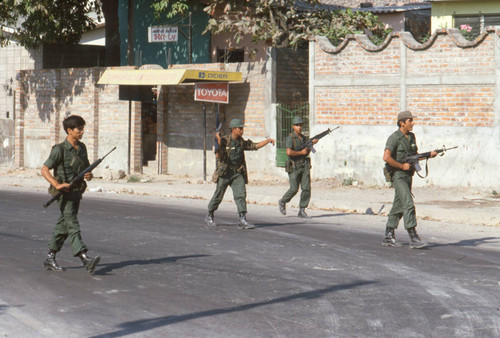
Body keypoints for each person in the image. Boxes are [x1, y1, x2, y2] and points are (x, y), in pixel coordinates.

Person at [41, 115, 100, 273]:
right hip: (63, 195)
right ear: (69, 131)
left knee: (63, 226)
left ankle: (50, 258)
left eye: (82, 128)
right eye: (79, 129)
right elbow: (44, 169)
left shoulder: (82, 148)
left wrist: (89, 175)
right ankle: (84, 257)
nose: (82, 131)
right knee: (72, 224)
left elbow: (86, 169)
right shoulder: (59, 149)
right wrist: (57, 185)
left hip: (76, 193)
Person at [205, 118, 275, 229]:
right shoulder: (224, 140)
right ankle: (210, 214)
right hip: (225, 172)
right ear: (233, 129)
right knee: (218, 195)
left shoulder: (241, 142)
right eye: (240, 128)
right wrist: (218, 142)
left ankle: (242, 219)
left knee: (241, 195)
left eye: (242, 128)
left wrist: (267, 141)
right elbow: (218, 156)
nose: (242, 130)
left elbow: (254, 146)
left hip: (237, 172)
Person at [382, 110, 436, 249]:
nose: (413, 123)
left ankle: (388, 235)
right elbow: (386, 158)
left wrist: (429, 155)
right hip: (398, 175)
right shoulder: (394, 138)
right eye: (410, 121)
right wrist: (401, 166)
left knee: (399, 206)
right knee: (408, 203)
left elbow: (415, 156)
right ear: (402, 123)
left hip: (408, 176)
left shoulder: (411, 137)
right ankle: (413, 236)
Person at [278, 116, 318, 219]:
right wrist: (302, 152)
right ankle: (283, 201)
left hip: (304, 165)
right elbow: (289, 152)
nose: (299, 127)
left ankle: (302, 210)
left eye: (300, 125)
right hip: (294, 166)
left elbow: (307, 152)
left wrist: (311, 145)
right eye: (297, 125)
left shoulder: (304, 138)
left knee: (306, 188)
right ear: (293, 126)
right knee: (294, 188)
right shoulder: (290, 138)